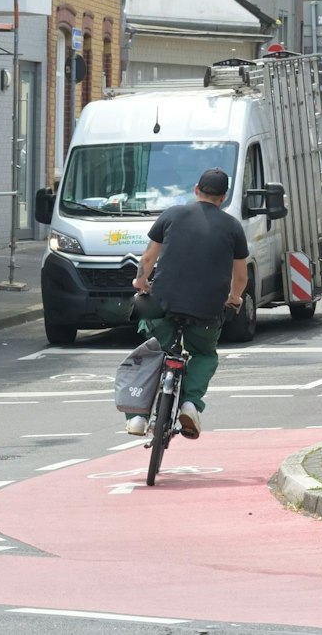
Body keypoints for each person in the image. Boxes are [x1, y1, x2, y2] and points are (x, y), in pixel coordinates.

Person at [127, 167, 248, 439]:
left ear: (196, 190)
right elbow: (240, 276)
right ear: (224, 197)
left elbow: (147, 260)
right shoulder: (233, 227)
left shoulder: (171, 215)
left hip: (164, 303)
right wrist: (235, 298)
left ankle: (137, 415)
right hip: (206, 310)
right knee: (204, 355)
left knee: (152, 351)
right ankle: (190, 403)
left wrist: (141, 283)